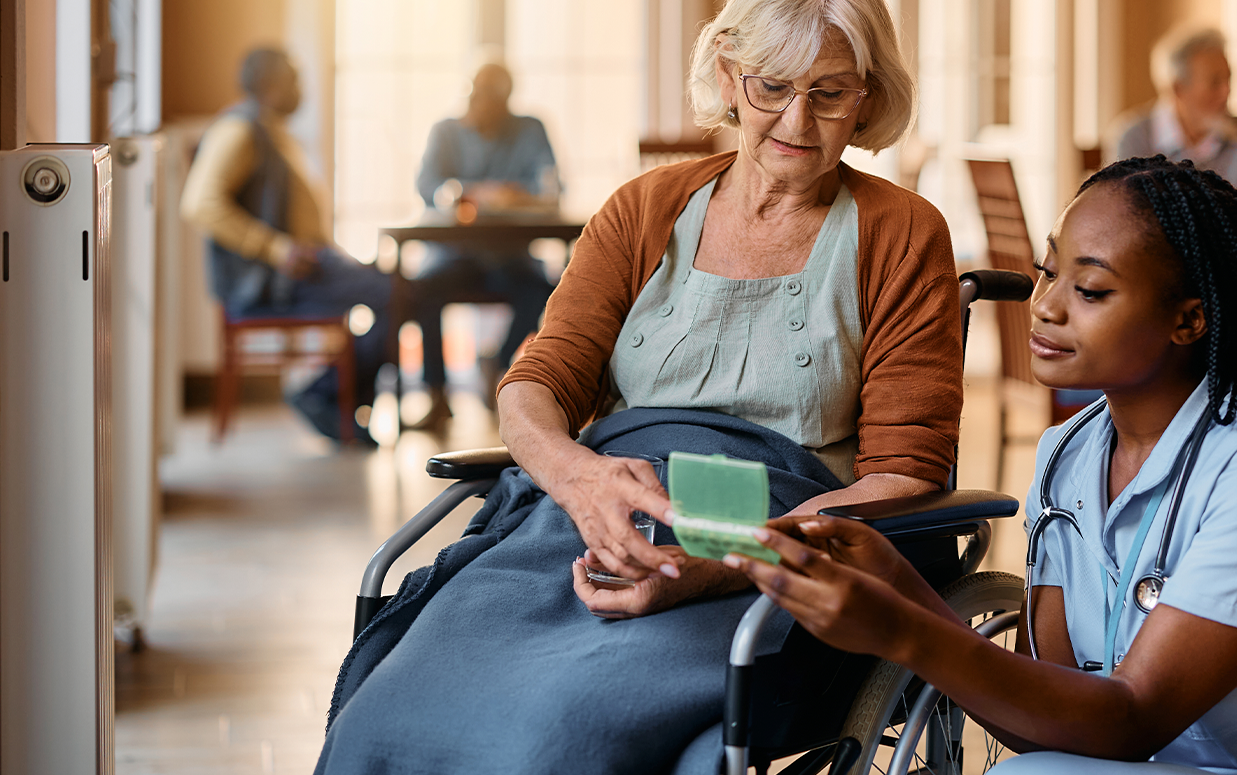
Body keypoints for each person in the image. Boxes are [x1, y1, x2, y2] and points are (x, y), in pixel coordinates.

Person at [315, 1, 956, 771]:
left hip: (780, 535)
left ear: (868, 96)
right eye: (771, 87)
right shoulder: (644, 208)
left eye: (829, 93)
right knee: (389, 712)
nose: (797, 119)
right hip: (597, 508)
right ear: (726, 76)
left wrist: (722, 561)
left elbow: (902, 474)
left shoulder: (901, 231)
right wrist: (577, 477)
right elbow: (534, 385)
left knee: (563, 734)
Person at [728, 156, 1237, 774]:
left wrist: (903, 630)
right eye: (1047, 271)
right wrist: (901, 586)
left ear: (1189, 320)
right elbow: (1046, 726)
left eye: (1090, 291)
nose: (1045, 306)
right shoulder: (1068, 455)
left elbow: (1134, 716)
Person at [181, 47, 392, 445]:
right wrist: (277, 249)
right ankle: (325, 398)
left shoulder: (270, 129)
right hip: (272, 280)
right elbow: (199, 202)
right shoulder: (240, 130)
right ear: (273, 86)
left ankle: (337, 402)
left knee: (391, 287)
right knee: (393, 292)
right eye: (295, 80)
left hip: (305, 266)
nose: (302, 89)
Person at [408, 62, 560, 430]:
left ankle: (498, 362)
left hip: (511, 257)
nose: (479, 104)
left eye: (490, 97)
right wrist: (463, 193)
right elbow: (427, 186)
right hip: (455, 255)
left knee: (548, 291)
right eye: (475, 94)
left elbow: (551, 188)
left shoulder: (530, 129)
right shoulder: (445, 131)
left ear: (506, 99)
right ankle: (436, 394)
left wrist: (510, 196)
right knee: (420, 291)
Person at [1112, 27, 1237, 208]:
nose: (1227, 92)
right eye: (1215, 83)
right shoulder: (1132, 138)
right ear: (1178, 89)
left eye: (1229, 79)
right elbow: (1126, 219)